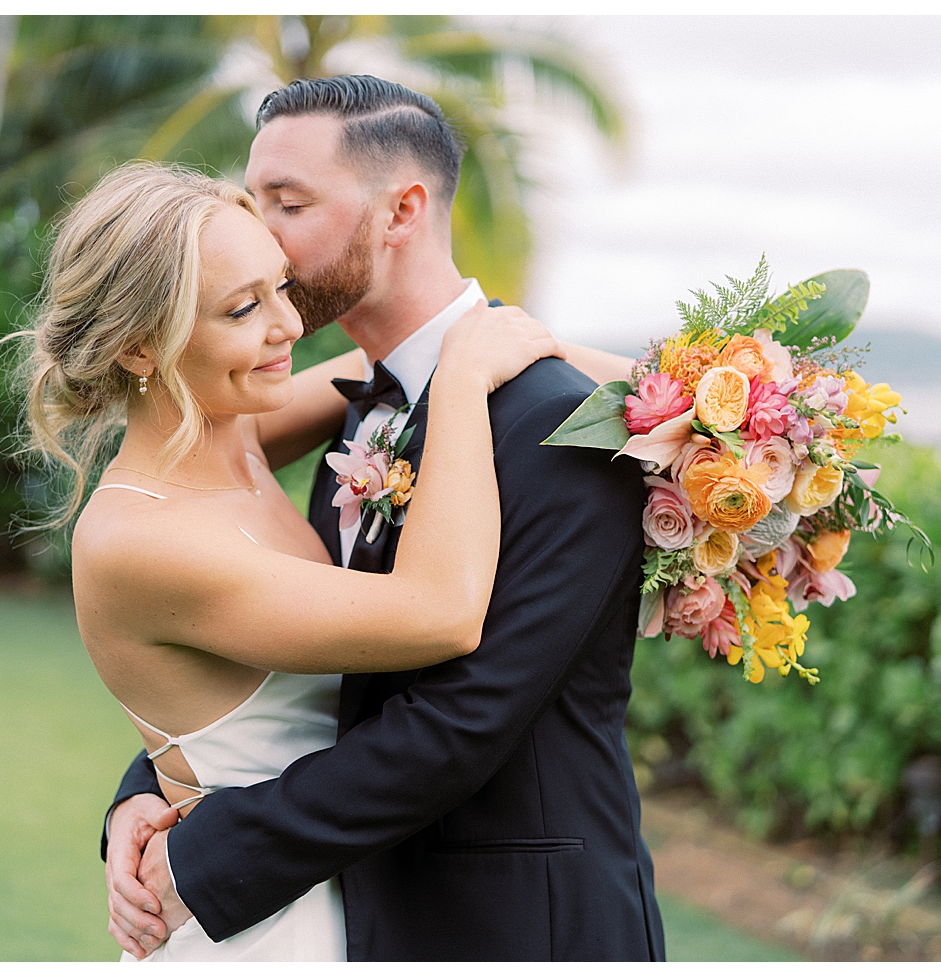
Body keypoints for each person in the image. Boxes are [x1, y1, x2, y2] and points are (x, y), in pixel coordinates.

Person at [103, 75, 666, 962]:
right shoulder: (354, 397)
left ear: (401, 211)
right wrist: (157, 783)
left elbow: (459, 721)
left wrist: (202, 852)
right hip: (363, 911)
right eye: (254, 200)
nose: (260, 230)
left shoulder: (560, 425)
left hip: (518, 923)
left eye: (287, 203)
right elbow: (303, 662)